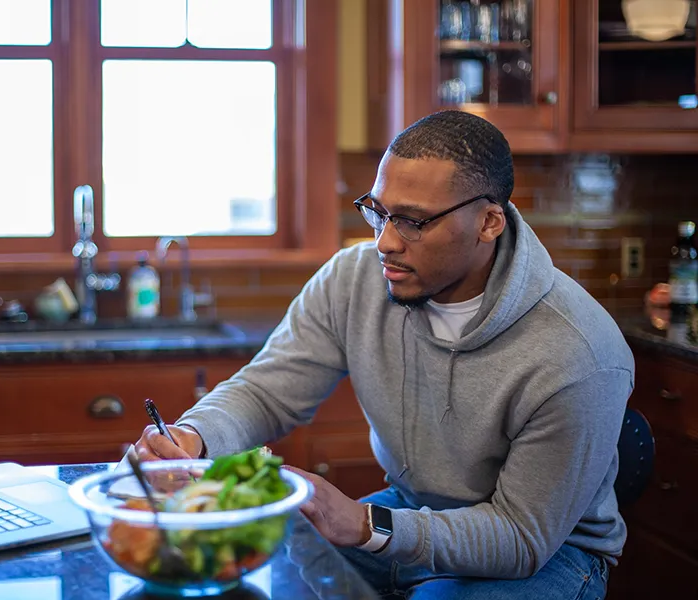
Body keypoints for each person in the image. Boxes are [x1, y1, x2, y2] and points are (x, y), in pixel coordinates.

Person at [134, 110, 634, 599]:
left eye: (414, 222)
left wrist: (364, 524)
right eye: (378, 211)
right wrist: (193, 435)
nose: (384, 242)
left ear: (488, 222)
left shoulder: (579, 353)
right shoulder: (354, 278)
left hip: (549, 554)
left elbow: (521, 538)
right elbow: (267, 390)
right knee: (255, 565)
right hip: (412, 505)